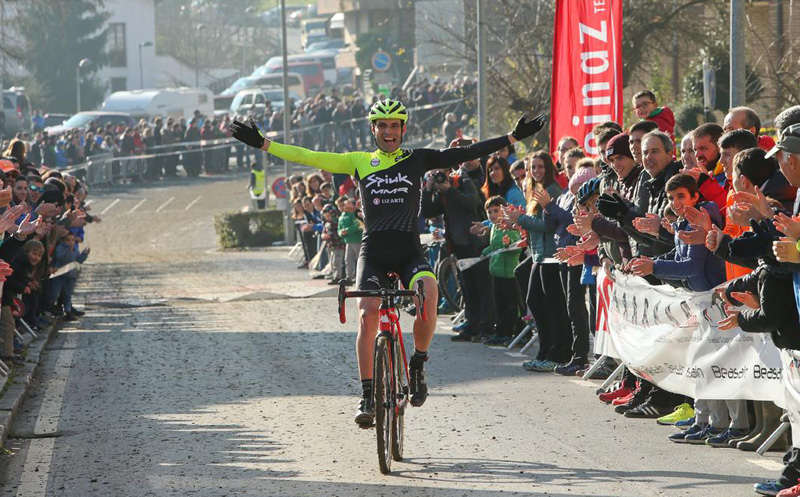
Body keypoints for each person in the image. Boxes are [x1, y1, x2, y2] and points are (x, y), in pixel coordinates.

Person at [230, 99, 546, 425]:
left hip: (409, 252)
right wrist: (264, 144)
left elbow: (464, 153)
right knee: (367, 314)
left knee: (429, 293)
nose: (389, 131)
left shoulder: (417, 158)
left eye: (395, 125)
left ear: (403, 129)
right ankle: (367, 394)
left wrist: (511, 137)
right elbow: (307, 156)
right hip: (374, 253)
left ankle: (418, 365)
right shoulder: (358, 161)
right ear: (373, 129)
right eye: (382, 125)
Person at [480, 196, 522, 346]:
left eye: (495, 210)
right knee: (500, 305)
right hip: (497, 272)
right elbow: (494, 246)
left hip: (509, 273)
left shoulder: (509, 226)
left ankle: (517, 333)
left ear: (503, 210)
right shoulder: (494, 228)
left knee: (512, 305)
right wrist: (485, 252)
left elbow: (517, 244)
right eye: (489, 211)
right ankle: (501, 332)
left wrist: (509, 243)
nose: (492, 214)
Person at [337, 195, 362, 286]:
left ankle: (359, 276)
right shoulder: (342, 216)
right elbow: (339, 228)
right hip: (348, 240)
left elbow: (357, 225)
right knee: (348, 259)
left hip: (356, 239)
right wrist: (341, 233)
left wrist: (347, 231)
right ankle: (350, 276)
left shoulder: (354, 214)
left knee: (358, 258)